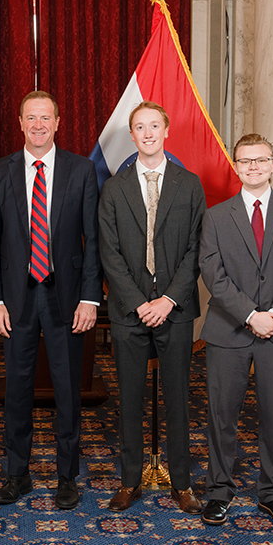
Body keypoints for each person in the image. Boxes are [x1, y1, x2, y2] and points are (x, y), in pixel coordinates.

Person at [0, 90, 103, 510]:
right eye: (30, 117)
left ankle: (67, 477)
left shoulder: (82, 170)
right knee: (16, 391)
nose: (37, 125)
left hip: (67, 298)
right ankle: (17, 475)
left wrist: (91, 297)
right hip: (15, 302)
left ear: (57, 122)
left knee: (68, 391)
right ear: (20, 123)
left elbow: (94, 240)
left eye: (45, 118)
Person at [198, 134, 273, 525]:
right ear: (236, 166)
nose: (253, 167)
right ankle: (219, 490)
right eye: (245, 161)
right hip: (228, 331)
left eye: (260, 160)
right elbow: (213, 276)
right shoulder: (216, 216)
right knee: (222, 415)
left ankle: (272, 492)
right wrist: (251, 315)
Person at [98, 101, 206, 514]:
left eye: (154, 126)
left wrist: (168, 300)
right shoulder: (114, 188)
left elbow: (196, 250)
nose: (147, 133)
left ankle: (182, 483)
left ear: (166, 131)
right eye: (139, 127)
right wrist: (141, 303)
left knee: (178, 398)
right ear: (132, 135)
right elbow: (110, 254)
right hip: (129, 311)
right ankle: (129, 481)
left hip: (175, 310)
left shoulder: (189, 184)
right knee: (130, 398)